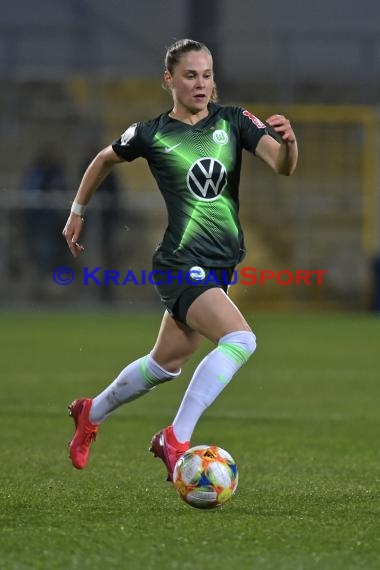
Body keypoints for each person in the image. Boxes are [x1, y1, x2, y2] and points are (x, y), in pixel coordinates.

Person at [62, 38, 298, 481]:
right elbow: (103, 159)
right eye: (191, 75)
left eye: (207, 75)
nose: (201, 84)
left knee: (164, 364)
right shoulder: (152, 133)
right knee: (241, 340)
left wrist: (289, 143)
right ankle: (176, 438)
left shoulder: (234, 121)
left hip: (220, 265)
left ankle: (90, 412)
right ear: (169, 80)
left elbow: (283, 166)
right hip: (180, 262)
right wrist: (77, 211)